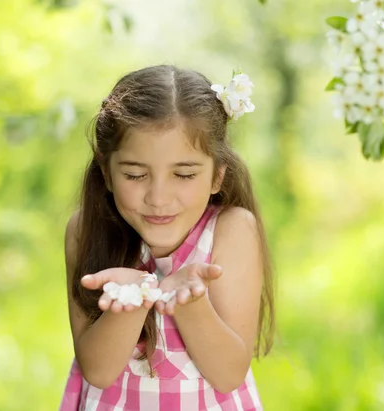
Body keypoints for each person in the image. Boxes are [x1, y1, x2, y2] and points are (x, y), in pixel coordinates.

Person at [60, 65, 275, 410]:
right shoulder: (86, 229)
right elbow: (97, 371)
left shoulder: (232, 230)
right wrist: (133, 301)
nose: (158, 197)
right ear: (107, 172)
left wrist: (190, 304)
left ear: (217, 176)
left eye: (184, 174)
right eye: (135, 174)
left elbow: (229, 374)